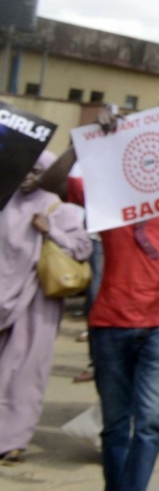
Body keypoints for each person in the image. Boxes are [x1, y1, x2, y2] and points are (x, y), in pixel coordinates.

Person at [37, 143, 159, 491]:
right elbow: (50, 183)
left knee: (150, 423)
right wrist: (82, 143)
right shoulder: (109, 190)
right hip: (111, 322)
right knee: (116, 427)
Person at [0, 154, 91, 464]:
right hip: (2, 297)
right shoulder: (5, 199)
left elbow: (83, 247)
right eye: (23, 167)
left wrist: (50, 230)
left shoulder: (56, 206)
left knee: (26, 372)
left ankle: (14, 440)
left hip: (36, 303)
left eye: (36, 170)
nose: (27, 175)